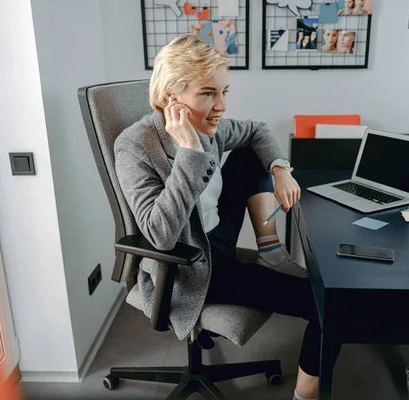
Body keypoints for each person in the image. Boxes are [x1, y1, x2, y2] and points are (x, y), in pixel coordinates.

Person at [114, 34, 340, 400]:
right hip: (190, 265)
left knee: (254, 152)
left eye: (224, 92)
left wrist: (281, 168)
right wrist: (189, 152)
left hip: (215, 233)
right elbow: (159, 236)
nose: (220, 106)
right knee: (325, 304)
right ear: (173, 99)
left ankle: (271, 253)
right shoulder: (134, 146)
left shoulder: (211, 127)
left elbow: (257, 129)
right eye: (208, 94)